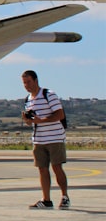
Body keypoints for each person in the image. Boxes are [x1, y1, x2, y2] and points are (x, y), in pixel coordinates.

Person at [21, 69, 69, 209]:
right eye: (24, 83)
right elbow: (33, 122)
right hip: (39, 139)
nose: (27, 85)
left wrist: (41, 120)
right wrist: (28, 120)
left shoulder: (49, 95)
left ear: (36, 80)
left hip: (54, 137)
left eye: (29, 82)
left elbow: (60, 114)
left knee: (56, 167)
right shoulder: (28, 100)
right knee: (42, 169)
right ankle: (46, 199)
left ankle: (64, 196)